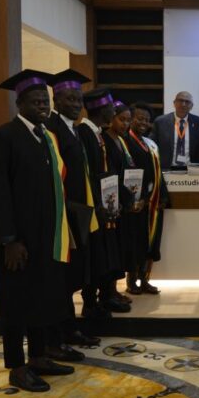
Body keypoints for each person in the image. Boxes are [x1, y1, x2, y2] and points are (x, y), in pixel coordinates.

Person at [0, 69, 75, 392]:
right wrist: (9, 240)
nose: (43, 106)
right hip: (17, 241)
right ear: (19, 103)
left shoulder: (45, 138)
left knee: (40, 298)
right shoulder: (2, 138)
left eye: (45, 101)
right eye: (36, 102)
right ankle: (17, 367)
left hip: (44, 237)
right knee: (15, 303)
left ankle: (38, 357)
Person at [44, 69, 100, 360]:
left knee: (72, 275)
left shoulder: (73, 128)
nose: (76, 104)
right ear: (56, 100)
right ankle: (60, 335)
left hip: (79, 213)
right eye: (70, 99)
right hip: (64, 215)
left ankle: (70, 328)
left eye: (79, 99)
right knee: (61, 280)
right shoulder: (52, 128)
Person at [77, 88, 130, 316]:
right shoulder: (84, 133)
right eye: (110, 108)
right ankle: (91, 304)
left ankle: (105, 296)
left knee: (105, 253)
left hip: (106, 203)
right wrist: (100, 203)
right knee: (94, 255)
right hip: (94, 205)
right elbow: (90, 174)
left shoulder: (96, 133)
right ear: (101, 109)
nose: (113, 111)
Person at [124, 102, 169, 295]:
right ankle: (131, 280)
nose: (143, 122)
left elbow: (158, 172)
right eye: (139, 118)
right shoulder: (125, 142)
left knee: (150, 242)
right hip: (136, 202)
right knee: (136, 242)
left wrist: (163, 195)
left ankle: (145, 279)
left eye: (147, 120)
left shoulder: (150, 143)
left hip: (152, 202)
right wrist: (136, 198)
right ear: (131, 119)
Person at [102, 101, 139, 302]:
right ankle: (108, 292)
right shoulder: (105, 139)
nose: (125, 124)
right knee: (111, 248)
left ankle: (114, 290)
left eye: (128, 120)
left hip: (123, 201)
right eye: (121, 119)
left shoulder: (122, 140)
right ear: (112, 118)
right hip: (111, 201)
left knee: (121, 248)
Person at [152, 91, 199, 169]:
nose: (183, 104)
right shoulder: (160, 122)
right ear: (174, 103)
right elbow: (153, 146)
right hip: (167, 169)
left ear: (191, 106)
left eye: (187, 102)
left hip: (191, 170)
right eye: (180, 100)